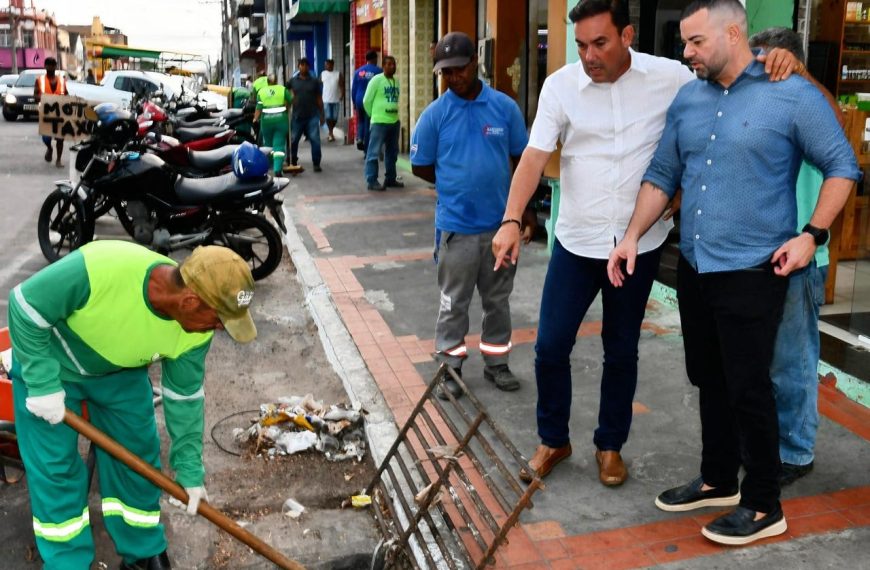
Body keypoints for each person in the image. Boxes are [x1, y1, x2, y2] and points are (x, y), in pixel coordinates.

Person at [607, 0, 859, 546]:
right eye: (685, 42)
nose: (686, 51)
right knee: (708, 377)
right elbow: (662, 173)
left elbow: (843, 166)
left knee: (750, 385)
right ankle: (719, 478)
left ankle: (765, 504)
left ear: (734, 33)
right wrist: (630, 238)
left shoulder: (790, 94)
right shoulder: (689, 101)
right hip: (697, 264)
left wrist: (810, 235)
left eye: (696, 41)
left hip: (755, 267)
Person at [492, 0, 695, 488]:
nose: (588, 55)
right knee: (550, 346)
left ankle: (610, 445)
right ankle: (553, 439)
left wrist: (684, 184)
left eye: (599, 43)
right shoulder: (560, 87)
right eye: (581, 45)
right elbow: (533, 158)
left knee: (621, 349)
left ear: (627, 35)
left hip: (638, 246)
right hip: (577, 242)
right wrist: (511, 219)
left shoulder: (671, 78)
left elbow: (710, 120)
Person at [8, 241, 258, 569]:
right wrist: (42, 384)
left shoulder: (196, 332)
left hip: (119, 373)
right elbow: (24, 305)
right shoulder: (102, 268)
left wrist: (189, 468)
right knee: (55, 470)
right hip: (51, 368)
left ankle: (142, 552)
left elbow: (184, 397)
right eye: (219, 320)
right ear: (190, 300)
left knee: (138, 460)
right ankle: (66, 561)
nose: (218, 329)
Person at [748, 27, 843, 487]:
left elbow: (839, 134)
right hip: (757, 255)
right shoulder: (760, 101)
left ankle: (796, 450)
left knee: (792, 358)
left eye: (768, 59)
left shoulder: (809, 100)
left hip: (801, 253)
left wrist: (803, 75)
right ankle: (770, 441)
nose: (762, 68)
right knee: (761, 360)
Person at [411, 32, 528, 400]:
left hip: (499, 229)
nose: (453, 77)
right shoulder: (435, 115)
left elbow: (521, 159)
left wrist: (521, 214)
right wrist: (455, 185)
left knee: (498, 300)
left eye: (459, 69)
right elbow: (421, 166)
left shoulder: (504, 108)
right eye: (446, 72)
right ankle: (450, 367)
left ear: (474, 63)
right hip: (456, 230)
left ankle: (497, 363)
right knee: (453, 301)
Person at [363, 55, 401, 191]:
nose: (392, 66)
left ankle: (390, 178)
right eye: (389, 64)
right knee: (373, 152)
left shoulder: (396, 81)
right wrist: (373, 115)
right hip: (379, 122)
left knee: (392, 152)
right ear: (383, 66)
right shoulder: (376, 80)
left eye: (394, 64)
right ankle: (371, 180)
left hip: (394, 121)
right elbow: (366, 101)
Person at [288, 58, 325, 172]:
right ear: (298, 67)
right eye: (301, 65)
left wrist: (322, 114)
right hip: (297, 116)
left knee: (315, 140)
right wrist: (286, 109)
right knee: (293, 140)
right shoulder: (292, 81)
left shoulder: (315, 81)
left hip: (312, 116)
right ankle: (292, 159)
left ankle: (316, 163)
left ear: (309, 67)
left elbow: (319, 98)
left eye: (305, 65)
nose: (303, 67)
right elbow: (287, 96)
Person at [253, 74, 293, 176]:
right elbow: (291, 100)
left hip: (266, 122)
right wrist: (287, 106)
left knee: (268, 145)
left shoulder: (261, 92)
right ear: (276, 81)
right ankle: (277, 168)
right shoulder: (282, 89)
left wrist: (255, 119)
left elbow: (258, 108)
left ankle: (269, 165)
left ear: (267, 81)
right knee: (279, 145)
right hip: (281, 120)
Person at [34, 57, 67, 167]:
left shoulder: (61, 81)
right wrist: (43, 97)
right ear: (45, 66)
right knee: (46, 138)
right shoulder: (40, 80)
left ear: (55, 67)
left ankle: (58, 160)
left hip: (59, 114)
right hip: (46, 114)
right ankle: (49, 148)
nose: (50, 67)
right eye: (48, 65)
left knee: (60, 138)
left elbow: (66, 94)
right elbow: (35, 95)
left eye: (53, 65)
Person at [351, 50, 382, 152]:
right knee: (368, 124)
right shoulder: (379, 71)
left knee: (361, 121)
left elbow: (354, 89)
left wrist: (354, 103)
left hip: (359, 100)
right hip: (371, 102)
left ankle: (360, 137)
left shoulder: (359, 72)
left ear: (366, 59)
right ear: (374, 59)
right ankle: (367, 150)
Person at [320, 59, 344, 142]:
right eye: (325, 65)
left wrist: (342, 94)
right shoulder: (322, 74)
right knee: (328, 117)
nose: (327, 66)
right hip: (326, 99)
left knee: (334, 118)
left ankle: (331, 132)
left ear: (332, 65)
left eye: (328, 64)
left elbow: (342, 85)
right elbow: (318, 85)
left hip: (336, 99)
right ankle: (330, 133)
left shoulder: (338, 74)